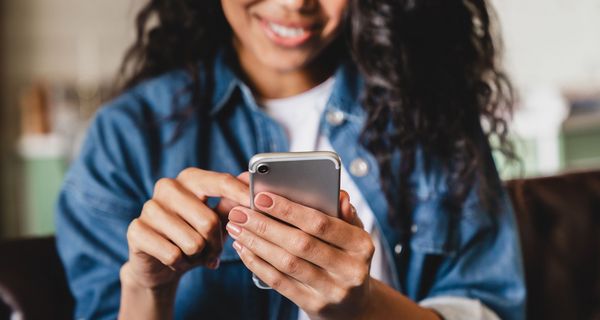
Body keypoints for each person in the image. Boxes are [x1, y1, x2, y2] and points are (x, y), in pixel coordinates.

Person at [55, 0, 526, 319]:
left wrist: (362, 307)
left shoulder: (432, 111)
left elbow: (488, 305)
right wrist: (146, 287)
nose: (295, 2)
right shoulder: (127, 136)